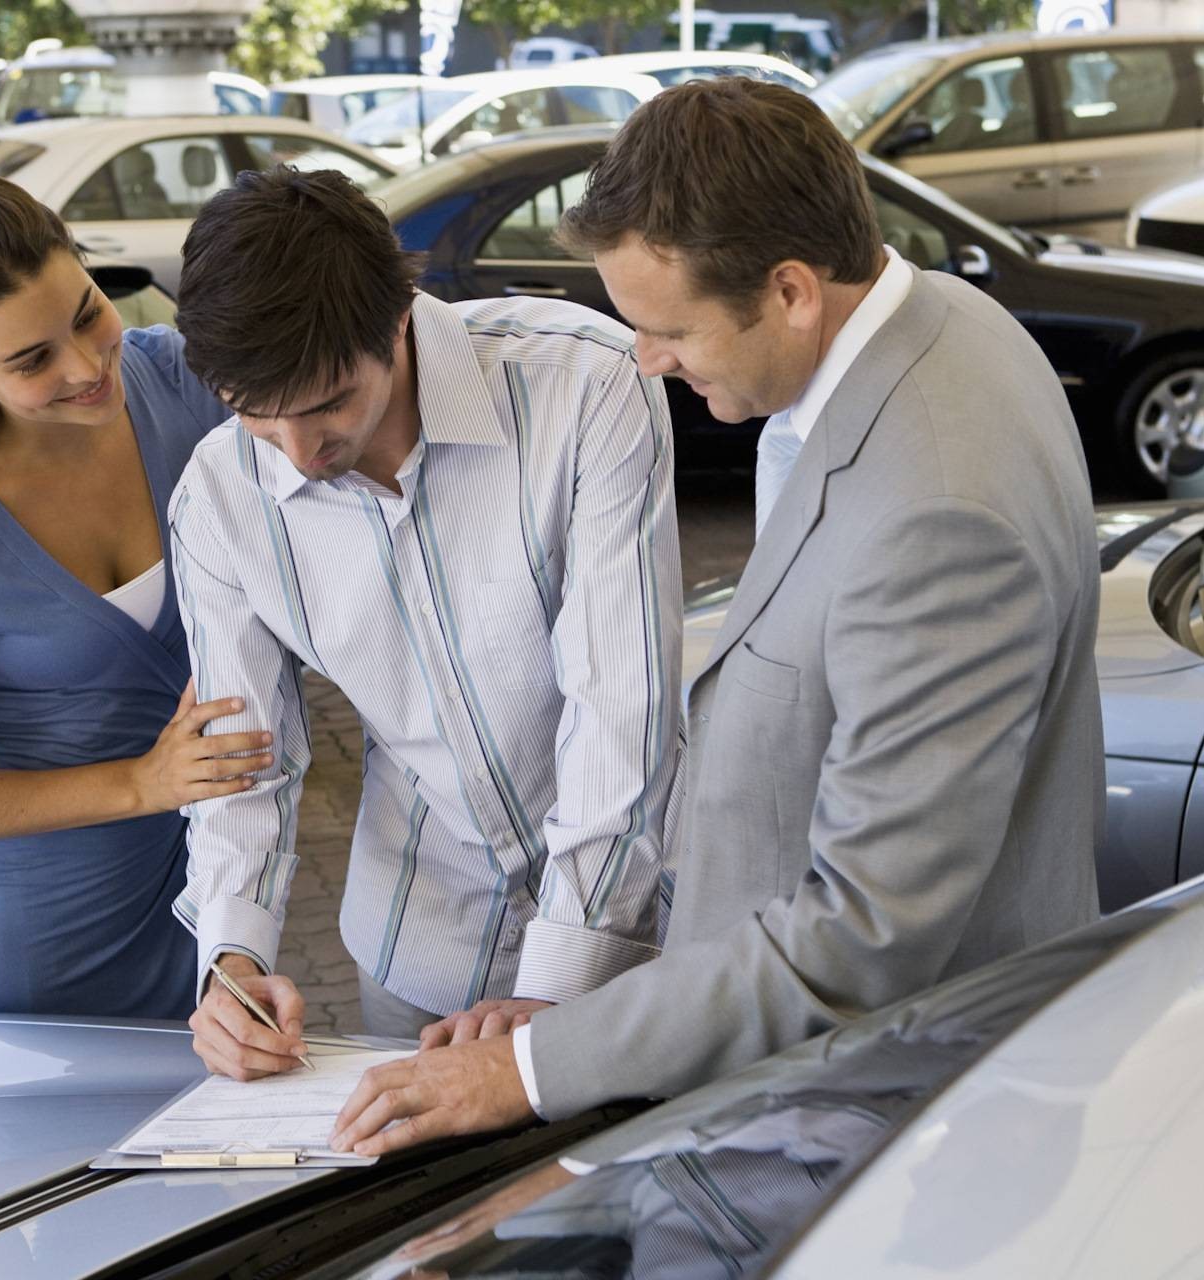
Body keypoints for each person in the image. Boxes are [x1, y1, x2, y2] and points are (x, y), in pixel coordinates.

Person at [331, 77, 1103, 1154]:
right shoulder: (947, 322)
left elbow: (861, 936)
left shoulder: (936, 512)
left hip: (878, 1126)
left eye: (670, 330)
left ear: (791, 291)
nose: (647, 361)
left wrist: (531, 1068)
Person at [166, 167, 682, 1079]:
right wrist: (232, 959)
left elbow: (621, 703)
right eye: (256, 417)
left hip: (634, 940)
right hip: (417, 944)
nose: (298, 454)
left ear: (399, 317)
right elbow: (242, 758)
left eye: (329, 403)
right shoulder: (216, 497)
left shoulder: (585, 383)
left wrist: (557, 983)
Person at [0, 175, 269, 1018]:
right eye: (33, 360)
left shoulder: (182, 384)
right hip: (31, 946)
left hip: (207, 904)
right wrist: (141, 784)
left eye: (85, 314)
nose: (85, 365)